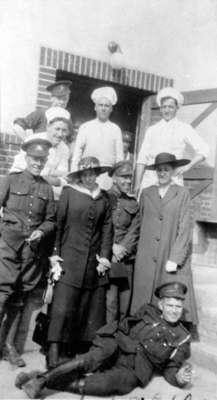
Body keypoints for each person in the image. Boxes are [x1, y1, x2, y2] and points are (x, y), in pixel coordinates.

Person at [16, 281, 193, 398]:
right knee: (87, 360)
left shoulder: (182, 337)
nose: (174, 310)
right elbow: (124, 326)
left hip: (136, 368)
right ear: (161, 305)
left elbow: (171, 368)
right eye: (170, 305)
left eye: (178, 306)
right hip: (117, 345)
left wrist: (179, 378)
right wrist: (109, 341)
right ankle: (41, 380)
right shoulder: (148, 311)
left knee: (106, 385)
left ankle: (37, 379)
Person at [46, 157, 113, 369]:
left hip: (91, 263)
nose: (89, 177)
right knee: (62, 306)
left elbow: (106, 229)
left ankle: (72, 351)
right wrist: (55, 254)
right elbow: (58, 224)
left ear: (97, 175)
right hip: (68, 258)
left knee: (84, 305)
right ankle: (54, 350)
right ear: (80, 176)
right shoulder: (69, 193)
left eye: (93, 173)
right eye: (85, 174)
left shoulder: (104, 198)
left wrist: (104, 257)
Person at [0, 137, 56, 367]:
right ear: (26, 157)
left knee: (20, 297)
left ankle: (9, 347)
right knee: (1, 294)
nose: (38, 163)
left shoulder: (47, 187)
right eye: (35, 159)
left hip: (31, 252)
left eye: (42, 160)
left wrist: (41, 232)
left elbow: (51, 219)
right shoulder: (10, 180)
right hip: (7, 246)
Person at [131, 153, 198, 328]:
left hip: (167, 254)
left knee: (166, 296)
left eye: (166, 169)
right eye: (159, 170)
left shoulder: (182, 194)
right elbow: (138, 222)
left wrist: (175, 258)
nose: (162, 173)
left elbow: (185, 229)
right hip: (146, 256)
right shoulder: (147, 193)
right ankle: (142, 333)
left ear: (173, 171)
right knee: (143, 299)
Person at [135, 87, 209, 192]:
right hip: (151, 180)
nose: (167, 110)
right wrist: (137, 185)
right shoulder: (152, 130)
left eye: (170, 107)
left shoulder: (184, 128)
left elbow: (204, 149)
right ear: (160, 108)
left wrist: (188, 166)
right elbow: (142, 159)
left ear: (177, 108)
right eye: (164, 107)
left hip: (173, 179)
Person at [11, 107, 71, 201]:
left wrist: (48, 176)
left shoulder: (64, 149)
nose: (60, 134)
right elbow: (20, 171)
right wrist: (51, 175)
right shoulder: (33, 141)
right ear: (48, 127)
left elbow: (63, 179)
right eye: (57, 129)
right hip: (21, 190)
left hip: (45, 194)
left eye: (64, 130)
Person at [106, 161, 140, 322]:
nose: (128, 181)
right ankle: (107, 340)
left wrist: (122, 248)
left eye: (130, 178)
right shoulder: (103, 198)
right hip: (108, 259)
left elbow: (135, 230)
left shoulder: (133, 203)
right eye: (123, 177)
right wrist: (112, 247)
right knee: (109, 303)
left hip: (126, 260)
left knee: (125, 303)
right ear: (114, 178)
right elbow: (100, 226)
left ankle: (120, 340)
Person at [71, 86, 123, 190]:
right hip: (87, 174)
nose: (103, 108)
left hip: (107, 176)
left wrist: (117, 179)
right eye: (100, 105)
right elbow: (77, 153)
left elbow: (119, 158)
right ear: (95, 107)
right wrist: (74, 175)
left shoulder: (115, 129)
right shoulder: (85, 127)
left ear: (111, 109)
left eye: (107, 106)